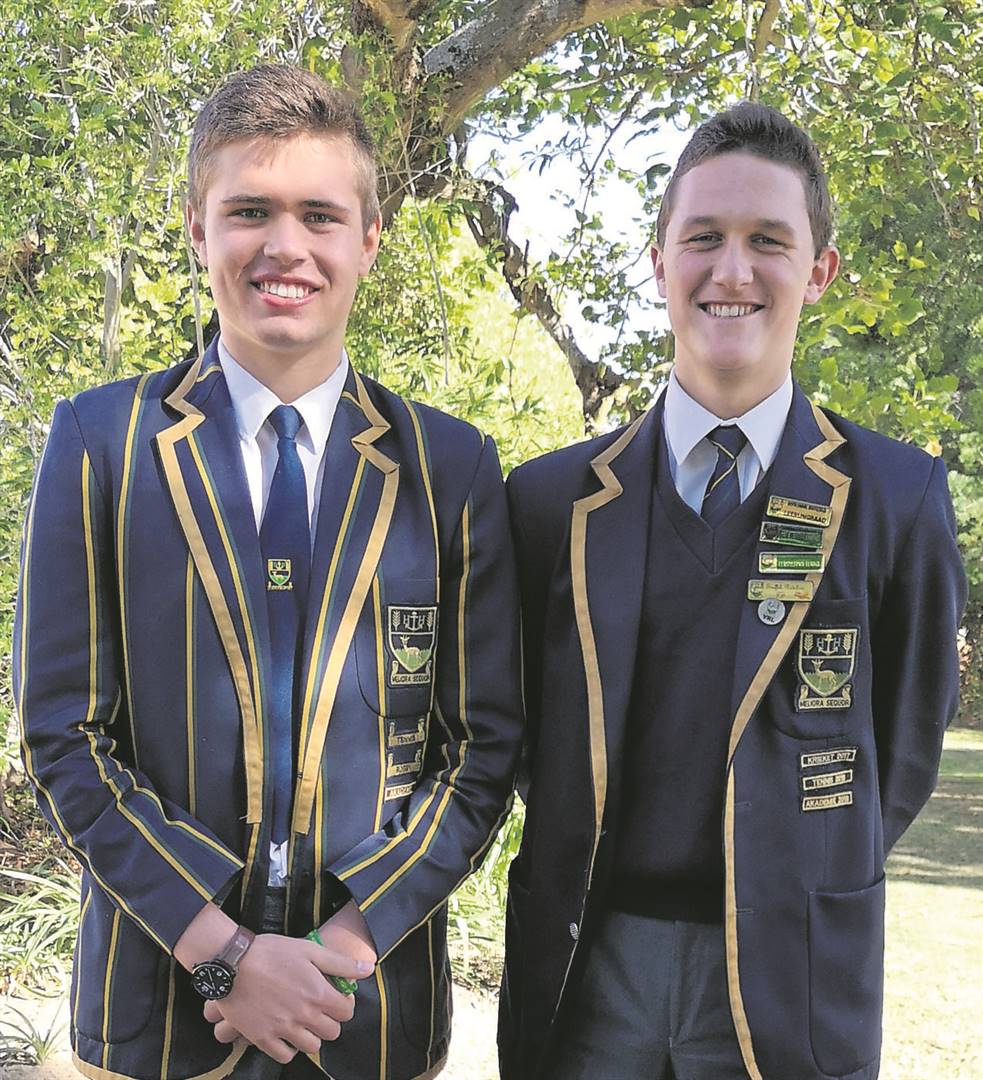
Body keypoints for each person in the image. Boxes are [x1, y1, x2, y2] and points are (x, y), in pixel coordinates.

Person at [15, 63, 521, 1080]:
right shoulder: (103, 443)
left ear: (368, 240)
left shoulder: (450, 467)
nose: (285, 246)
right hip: (161, 1015)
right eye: (249, 210)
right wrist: (224, 955)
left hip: (364, 1017)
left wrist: (340, 949)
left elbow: (482, 748)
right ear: (197, 232)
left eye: (319, 215)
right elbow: (64, 735)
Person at [498, 102, 967, 1080]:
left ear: (818, 271)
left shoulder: (894, 498)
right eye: (702, 237)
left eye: (767, 241)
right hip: (588, 970)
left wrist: (795, 864)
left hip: (790, 968)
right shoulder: (547, 502)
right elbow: (522, 736)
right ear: (657, 261)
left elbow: (902, 749)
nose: (731, 270)